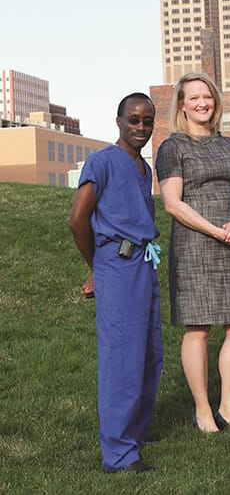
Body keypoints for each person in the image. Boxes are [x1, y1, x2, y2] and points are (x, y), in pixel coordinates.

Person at [155, 72, 230, 433]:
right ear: (181, 105)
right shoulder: (172, 147)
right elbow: (172, 203)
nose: (202, 103)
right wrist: (216, 230)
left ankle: (229, 407)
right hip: (195, 243)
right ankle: (202, 410)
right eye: (194, 97)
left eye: (207, 97)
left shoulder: (229, 146)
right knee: (198, 328)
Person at [70, 93, 162, 473]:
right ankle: (119, 454)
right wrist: (98, 267)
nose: (140, 127)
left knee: (148, 355)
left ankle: (133, 433)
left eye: (147, 121)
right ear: (119, 121)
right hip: (117, 264)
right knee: (121, 359)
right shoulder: (102, 162)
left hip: (144, 263)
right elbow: (78, 220)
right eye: (133, 120)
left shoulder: (145, 169)